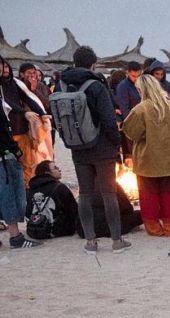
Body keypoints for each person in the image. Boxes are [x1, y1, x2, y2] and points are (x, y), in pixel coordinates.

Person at [60, 46, 129, 254]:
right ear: (93, 63)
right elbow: (108, 119)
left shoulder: (62, 84)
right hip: (102, 147)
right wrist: (117, 142)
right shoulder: (97, 84)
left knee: (85, 193)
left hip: (77, 147)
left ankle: (91, 242)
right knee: (109, 193)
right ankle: (116, 240)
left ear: (74, 62)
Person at [122, 74, 170, 237]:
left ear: (141, 90)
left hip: (148, 158)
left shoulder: (140, 109)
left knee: (148, 193)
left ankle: (153, 227)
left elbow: (130, 132)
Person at [0, 93, 42, 249]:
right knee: (9, 194)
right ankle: (15, 236)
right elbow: (3, 129)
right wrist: (14, 149)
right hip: (3, 155)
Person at [1, 55, 51, 185]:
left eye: (6, 66)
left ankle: (28, 191)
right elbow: (6, 101)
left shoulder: (15, 83)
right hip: (6, 132)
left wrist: (42, 113)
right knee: (9, 167)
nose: (5, 69)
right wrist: (25, 113)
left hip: (21, 129)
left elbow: (28, 98)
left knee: (27, 163)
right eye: (2, 67)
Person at [25, 160, 78, 239]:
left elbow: (28, 213)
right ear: (47, 173)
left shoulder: (31, 189)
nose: (59, 169)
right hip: (60, 230)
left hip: (34, 230)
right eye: (55, 168)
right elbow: (73, 210)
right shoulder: (60, 187)